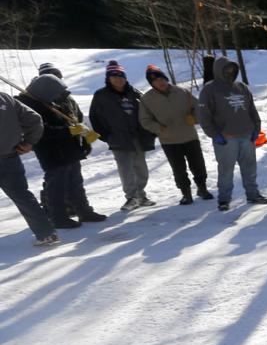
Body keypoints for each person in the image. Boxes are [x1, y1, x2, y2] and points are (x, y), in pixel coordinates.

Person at [17, 64, 106, 228]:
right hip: (52, 153)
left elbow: (73, 119)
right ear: (46, 90)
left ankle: (84, 211)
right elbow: (41, 132)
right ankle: (58, 217)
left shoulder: (55, 100)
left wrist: (83, 138)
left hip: (70, 149)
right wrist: (69, 131)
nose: (59, 96)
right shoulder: (29, 106)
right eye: (56, 93)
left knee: (75, 183)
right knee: (57, 186)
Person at [197, 55, 267, 211]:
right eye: (226, 70)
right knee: (226, 170)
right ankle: (224, 199)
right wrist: (214, 134)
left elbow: (252, 109)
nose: (230, 72)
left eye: (232, 69)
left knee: (250, 168)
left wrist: (256, 129)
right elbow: (204, 116)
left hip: (247, 136)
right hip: (226, 139)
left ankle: (253, 195)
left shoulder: (241, 87)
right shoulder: (209, 89)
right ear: (218, 70)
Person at [138, 64, 212, 205]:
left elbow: (198, 107)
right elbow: (144, 120)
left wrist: (195, 117)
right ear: (151, 84)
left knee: (198, 166)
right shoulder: (147, 99)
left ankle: (202, 188)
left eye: (161, 79)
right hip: (169, 140)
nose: (160, 83)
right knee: (179, 169)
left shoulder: (182, 91)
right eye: (155, 81)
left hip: (189, 136)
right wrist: (157, 127)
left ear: (166, 79)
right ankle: (186, 193)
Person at [89, 60, 157, 212]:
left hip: (139, 137)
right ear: (108, 78)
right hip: (118, 139)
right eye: (114, 76)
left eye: (121, 76)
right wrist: (106, 136)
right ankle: (131, 198)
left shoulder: (135, 93)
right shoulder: (101, 95)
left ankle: (141, 195)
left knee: (141, 169)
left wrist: (150, 132)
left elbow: (148, 112)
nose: (118, 79)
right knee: (126, 169)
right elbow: (95, 117)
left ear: (125, 77)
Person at [1, 89, 59, 245]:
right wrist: (29, 142)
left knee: (23, 196)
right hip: (9, 157)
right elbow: (34, 118)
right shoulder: (5, 98)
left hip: (9, 158)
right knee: (23, 196)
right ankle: (46, 233)